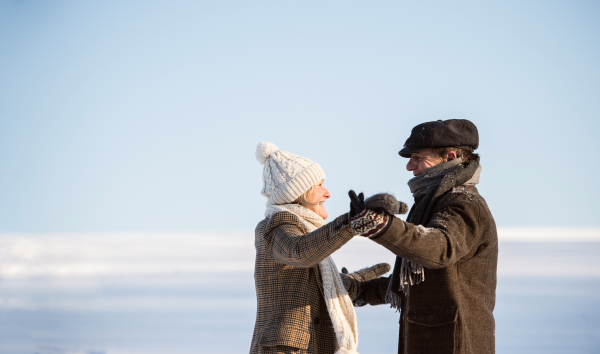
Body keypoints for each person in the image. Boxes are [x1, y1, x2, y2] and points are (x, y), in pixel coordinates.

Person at [353, 119, 498, 354]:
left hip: (456, 344)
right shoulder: (433, 203)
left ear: (450, 157)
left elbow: (439, 248)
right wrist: (360, 291)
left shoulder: (464, 203)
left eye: (418, 158)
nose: (410, 166)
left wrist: (383, 226)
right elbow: (415, 282)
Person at [250, 141, 391, 354]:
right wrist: (351, 223)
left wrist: (390, 287)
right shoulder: (276, 226)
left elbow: (325, 284)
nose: (327, 193)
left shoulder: (306, 232)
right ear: (297, 192)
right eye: (319, 185)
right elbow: (300, 252)